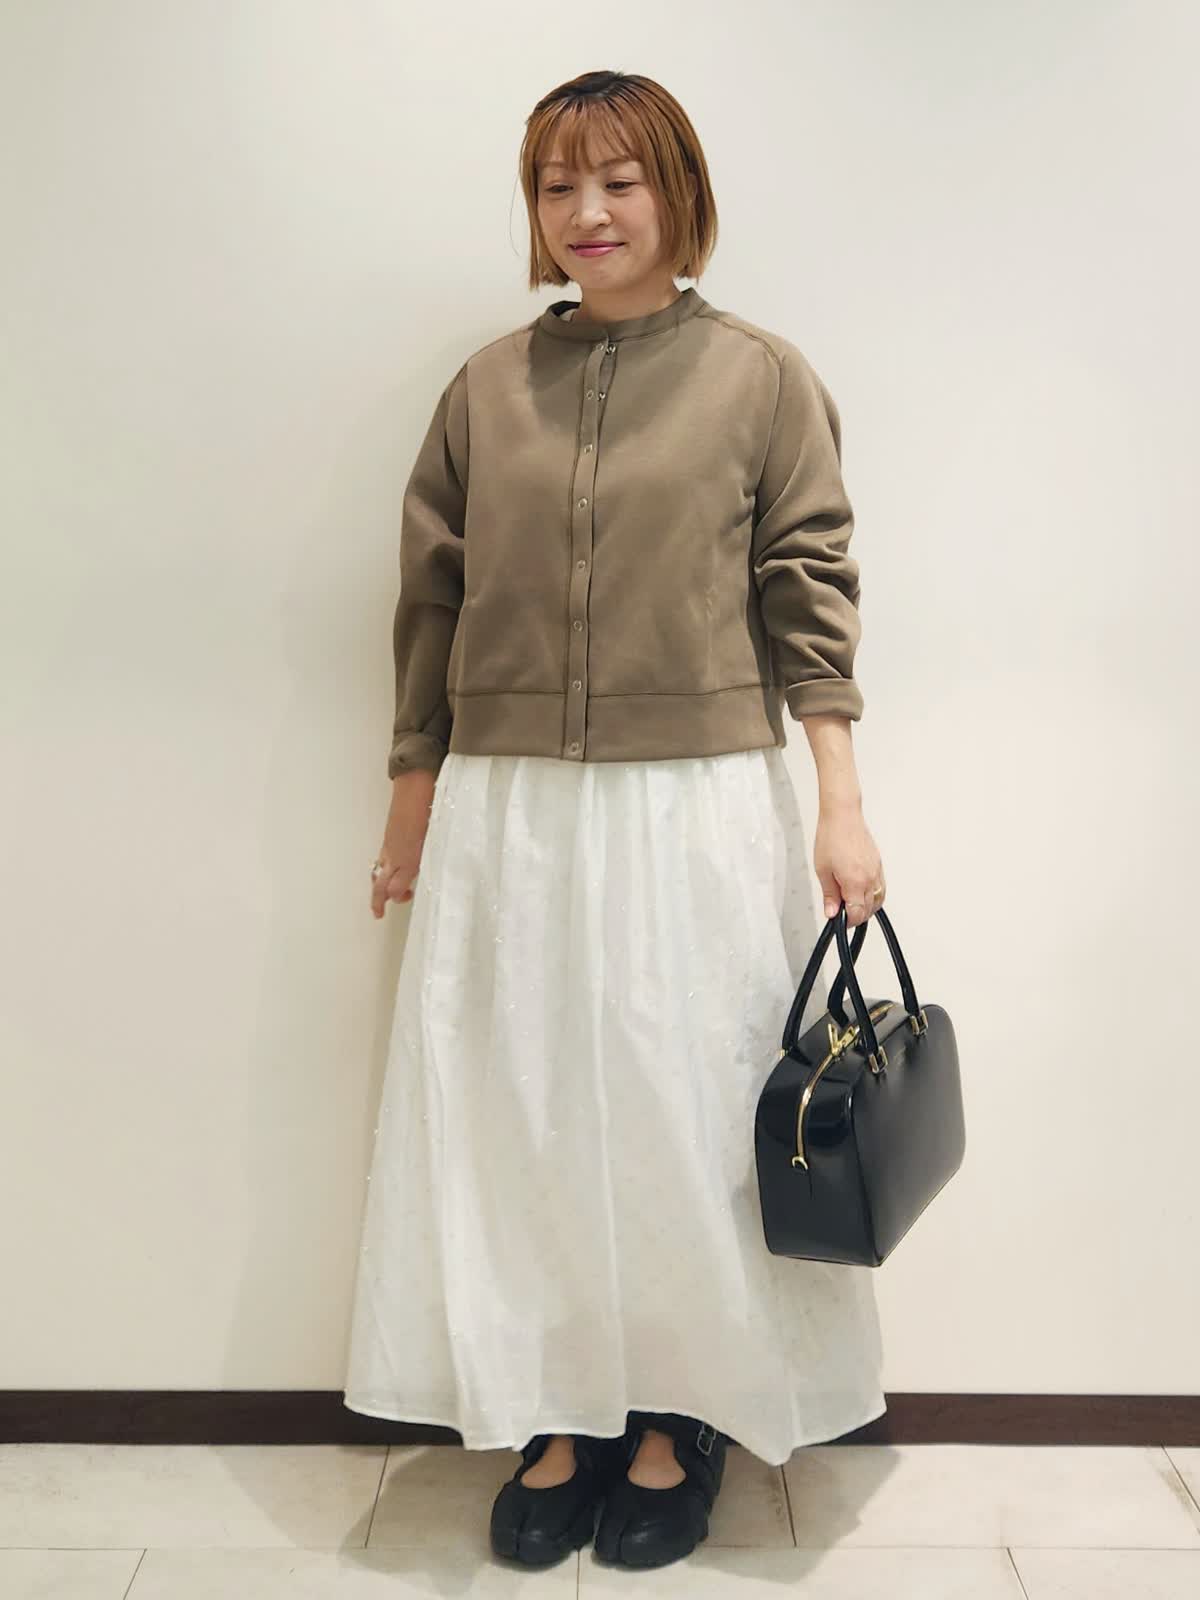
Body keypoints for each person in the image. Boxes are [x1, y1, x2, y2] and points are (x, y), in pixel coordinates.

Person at [342, 68, 889, 1572]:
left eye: (618, 180)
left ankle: (676, 1413)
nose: (587, 212)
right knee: (526, 1108)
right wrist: (410, 805)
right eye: (557, 185)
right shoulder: (484, 389)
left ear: (676, 192)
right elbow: (432, 604)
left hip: (691, 802)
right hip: (512, 807)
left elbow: (809, 587)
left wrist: (841, 804)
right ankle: (558, 1406)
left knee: (684, 1115)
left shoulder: (761, 379)